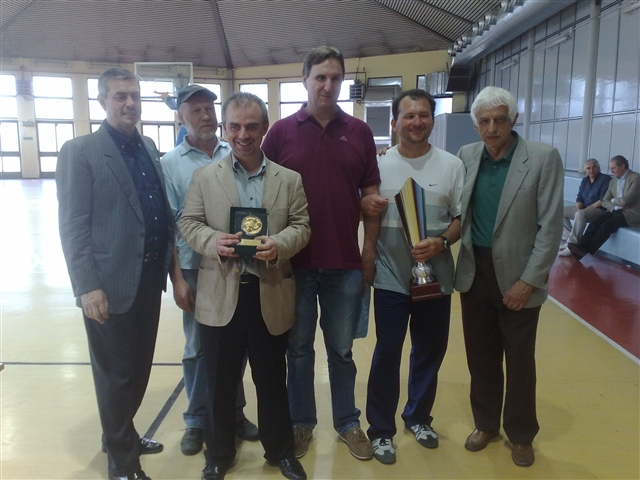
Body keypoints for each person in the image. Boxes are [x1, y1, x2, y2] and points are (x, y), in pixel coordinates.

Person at [178, 92, 310, 480]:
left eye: (252, 126)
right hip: (220, 293)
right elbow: (188, 222)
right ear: (224, 128)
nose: (243, 135)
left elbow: (302, 226)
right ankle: (218, 454)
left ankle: (280, 451)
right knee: (220, 381)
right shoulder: (205, 177)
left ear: (265, 129)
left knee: (271, 380)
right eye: (234, 126)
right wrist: (212, 242)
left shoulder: (289, 180)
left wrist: (279, 245)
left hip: (269, 291)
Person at [261, 45, 380, 461]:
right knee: (298, 351)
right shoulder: (280, 132)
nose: (327, 85)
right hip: (293, 265)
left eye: (335, 78)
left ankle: (348, 422)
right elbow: (263, 193)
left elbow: (370, 198)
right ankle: (301, 422)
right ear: (305, 80)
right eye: (320, 77)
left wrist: (368, 252)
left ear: (342, 81)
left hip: (345, 263)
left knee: (342, 351)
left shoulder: (360, 132)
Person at [57, 67, 174, 480]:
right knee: (115, 375)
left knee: (139, 367)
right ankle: (121, 461)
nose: (129, 103)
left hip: (147, 280)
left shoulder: (146, 145)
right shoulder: (81, 151)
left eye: (135, 96)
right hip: (108, 283)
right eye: (120, 96)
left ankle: (121, 433)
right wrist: (87, 286)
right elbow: (73, 224)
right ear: (102, 101)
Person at [455, 86, 564, 467]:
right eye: (484, 121)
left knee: (519, 361)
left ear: (513, 120)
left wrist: (529, 281)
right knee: (481, 357)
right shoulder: (467, 156)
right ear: (475, 126)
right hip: (475, 272)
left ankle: (521, 434)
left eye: (500, 119)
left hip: (519, 274)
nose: (492, 128)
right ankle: (486, 424)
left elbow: (550, 228)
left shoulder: (542, 158)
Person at [360, 89, 464, 464]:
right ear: (394, 123)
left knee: (429, 350)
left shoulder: (452, 166)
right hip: (390, 276)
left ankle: (418, 417)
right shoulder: (377, 165)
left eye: (423, 115)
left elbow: (460, 219)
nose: (416, 121)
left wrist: (440, 241)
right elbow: (365, 211)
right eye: (408, 116)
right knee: (387, 352)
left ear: (433, 121)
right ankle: (381, 430)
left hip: (435, 278)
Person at [160, 85, 258, 456]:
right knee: (198, 347)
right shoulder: (170, 164)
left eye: (209, 108)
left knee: (234, 342)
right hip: (195, 267)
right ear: (181, 117)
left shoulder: (235, 151)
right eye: (196, 110)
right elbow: (170, 225)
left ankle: (234, 415)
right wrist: (178, 278)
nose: (206, 116)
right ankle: (197, 420)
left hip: (236, 264)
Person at [567, 155, 640, 261]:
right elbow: (605, 201)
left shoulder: (636, 178)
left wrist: (613, 201)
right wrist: (615, 206)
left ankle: (586, 249)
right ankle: (580, 246)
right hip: (615, 210)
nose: (611, 171)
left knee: (607, 226)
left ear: (623, 166)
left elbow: (626, 201)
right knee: (595, 223)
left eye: (613, 168)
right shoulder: (613, 181)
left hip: (631, 213)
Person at [558, 159, 610, 256]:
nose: (591, 170)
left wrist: (585, 209)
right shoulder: (585, 180)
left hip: (599, 210)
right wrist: (578, 208)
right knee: (560, 212)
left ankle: (571, 245)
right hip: (585, 208)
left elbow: (603, 200)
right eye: (588, 168)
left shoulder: (605, 179)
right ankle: (571, 239)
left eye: (594, 167)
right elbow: (579, 197)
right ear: (585, 170)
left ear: (599, 168)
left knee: (581, 213)